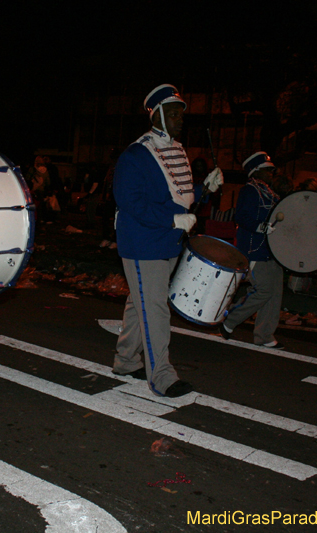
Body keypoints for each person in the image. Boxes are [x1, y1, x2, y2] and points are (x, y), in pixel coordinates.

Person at [112, 84, 223, 398]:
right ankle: (161, 376)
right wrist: (171, 220)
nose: (179, 119)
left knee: (140, 303)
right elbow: (129, 200)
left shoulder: (176, 148)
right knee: (156, 308)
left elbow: (179, 196)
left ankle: (125, 361)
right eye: (173, 113)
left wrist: (205, 189)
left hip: (166, 240)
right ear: (156, 114)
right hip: (143, 242)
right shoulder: (137, 153)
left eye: (181, 114)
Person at [219, 152, 284, 349]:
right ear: (256, 172)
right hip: (254, 249)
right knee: (263, 289)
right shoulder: (249, 190)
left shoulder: (270, 193)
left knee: (275, 293)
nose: (271, 173)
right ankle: (230, 319)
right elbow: (241, 217)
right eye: (267, 170)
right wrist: (260, 226)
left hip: (272, 251)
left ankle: (264, 335)